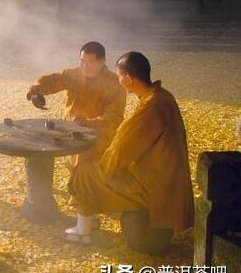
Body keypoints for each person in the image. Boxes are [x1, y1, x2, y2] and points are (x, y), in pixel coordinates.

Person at [65, 52, 195, 243]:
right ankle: (89, 216)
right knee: (95, 169)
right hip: (165, 178)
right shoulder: (162, 96)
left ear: (127, 79)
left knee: (84, 172)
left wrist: (101, 170)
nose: (118, 80)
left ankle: (83, 231)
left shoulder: (150, 108)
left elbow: (121, 150)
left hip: (154, 187)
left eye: (119, 76)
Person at [27, 42, 126, 165]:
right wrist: (37, 88)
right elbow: (53, 80)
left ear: (102, 62)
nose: (84, 66)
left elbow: (115, 118)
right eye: (82, 61)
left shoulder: (115, 85)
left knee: (84, 168)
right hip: (69, 131)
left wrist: (89, 123)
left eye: (89, 62)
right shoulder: (73, 75)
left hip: (97, 138)